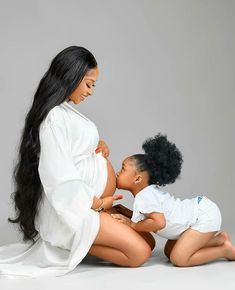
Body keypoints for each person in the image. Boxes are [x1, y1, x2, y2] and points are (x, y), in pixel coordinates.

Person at [0, 46, 153, 279]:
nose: (91, 92)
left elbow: (73, 151)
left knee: (149, 241)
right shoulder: (53, 117)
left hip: (94, 205)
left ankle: (82, 240)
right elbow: (58, 173)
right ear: (71, 77)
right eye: (89, 84)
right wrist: (98, 203)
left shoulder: (64, 112)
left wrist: (97, 145)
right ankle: (72, 243)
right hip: (78, 210)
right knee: (139, 253)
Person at [111, 133, 235, 267]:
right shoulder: (147, 193)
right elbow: (149, 217)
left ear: (138, 179)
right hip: (196, 213)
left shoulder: (144, 196)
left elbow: (159, 222)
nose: (117, 173)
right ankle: (218, 240)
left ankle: (224, 250)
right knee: (169, 251)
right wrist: (128, 213)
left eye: (123, 169)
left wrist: (132, 225)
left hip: (202, 216)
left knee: (179, 258)